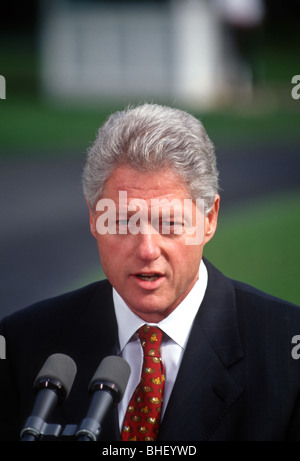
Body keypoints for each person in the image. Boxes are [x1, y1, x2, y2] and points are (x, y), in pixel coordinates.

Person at [0, 103, 299, 442]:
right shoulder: (19, 345)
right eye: (125, 222)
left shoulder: (286, 354)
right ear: (93, 219)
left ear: (209, 219)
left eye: (170, 223)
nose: (146, 249)